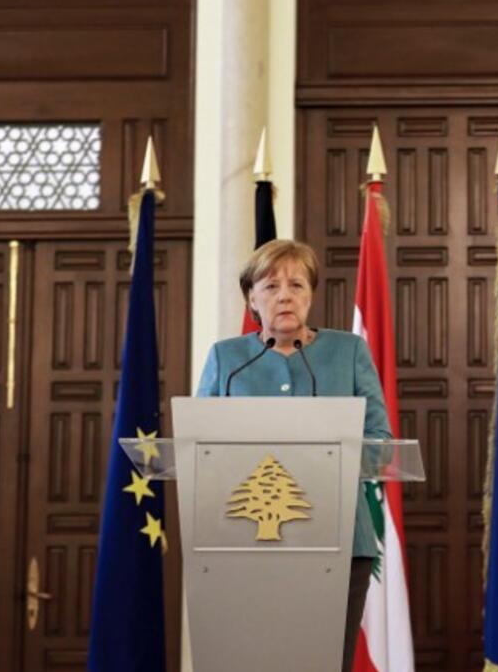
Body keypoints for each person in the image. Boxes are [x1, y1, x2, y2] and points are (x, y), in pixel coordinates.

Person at [196, 239, 390, 671]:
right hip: (244, 540)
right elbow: (199, 448)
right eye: (270, 286)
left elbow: (379, 442)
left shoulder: (348, 353)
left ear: (311, 295)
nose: (285, 295)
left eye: (297, 285)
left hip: (341, 541)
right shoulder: (226, 359)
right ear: (251, 298)